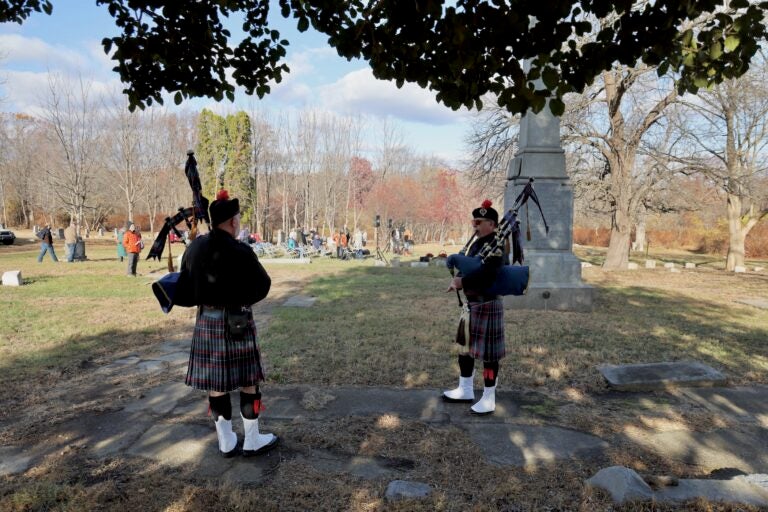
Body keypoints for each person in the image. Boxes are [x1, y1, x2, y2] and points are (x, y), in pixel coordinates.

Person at [179, 189, 277, 457]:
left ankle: (226, 441)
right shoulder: (241, 251)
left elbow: (184, 287)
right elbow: (263, 286)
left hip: (207, 322)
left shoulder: (195, 247)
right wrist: (241, 299)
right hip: (238, 322)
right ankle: (252, 439)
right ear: (233, 222)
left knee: (216, 384)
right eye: (238, 219)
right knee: (249, 382)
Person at [443, 199, 507, 415]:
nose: (475, 226)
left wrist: (464, 282)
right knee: (465, 348)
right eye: (474, 221)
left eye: (479, 222)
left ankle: (489, 398)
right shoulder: (478, 244)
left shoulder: (498, 244)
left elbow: (490, 274)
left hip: (488, 304)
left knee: (489, 355)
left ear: (492, 224)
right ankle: (465, 389)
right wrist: (457, 279)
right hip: (473, 305)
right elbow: (471, 268)